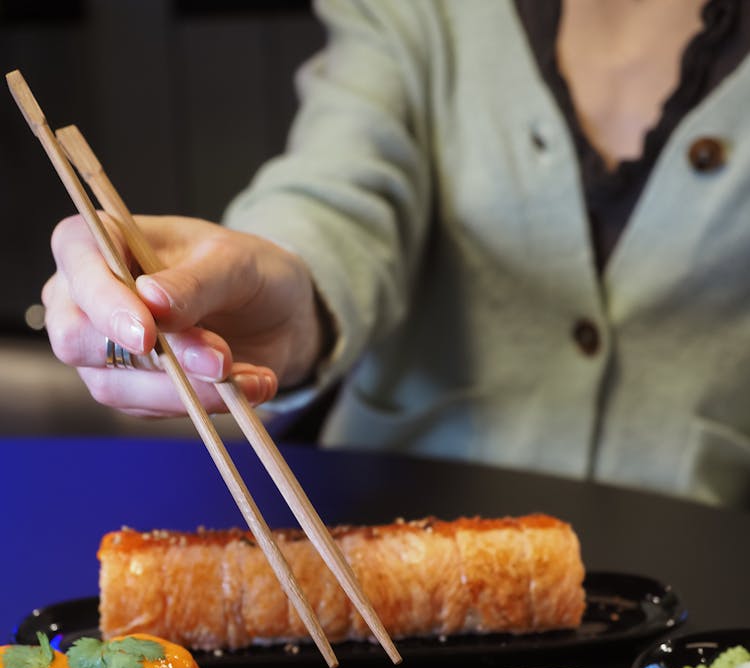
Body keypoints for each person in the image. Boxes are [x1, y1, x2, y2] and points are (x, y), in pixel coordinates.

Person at [41, 0, 750, 508]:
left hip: (705, 576)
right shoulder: (417, 14)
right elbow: (337, 188)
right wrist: (283, 289)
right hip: (394, 533)